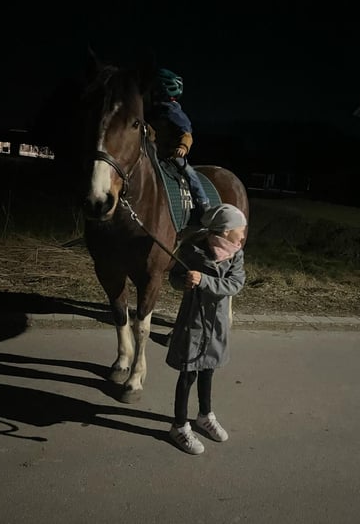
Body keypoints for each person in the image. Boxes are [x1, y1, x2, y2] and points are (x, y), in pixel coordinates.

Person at [165, 204, 248, 455]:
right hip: (194, 321)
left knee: (208, 369)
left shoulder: (236, 254)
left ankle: (204, 415)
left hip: (217, 323)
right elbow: (175, 278)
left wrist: (204, 280)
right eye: (239, 230)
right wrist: (185, 282)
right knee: (188, 373)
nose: (243, 236)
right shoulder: (192, 250)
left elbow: (235, 284)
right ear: (224, 232)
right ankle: (179, 426)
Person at [145, 68, 211, 224]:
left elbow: (187, 133)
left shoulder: (171, 111)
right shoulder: (151, 112)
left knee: (189, 173)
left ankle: (204, 204)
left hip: (171, 154)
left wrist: (183, 147)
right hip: (154, 153)